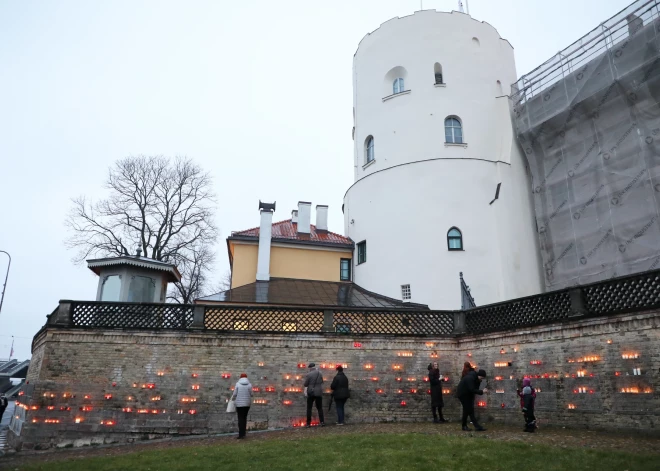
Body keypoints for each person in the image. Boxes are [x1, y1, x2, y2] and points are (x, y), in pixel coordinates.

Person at [231, 373, 253, 439]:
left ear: (240, 377)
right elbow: (252, 394)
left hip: (239, 404)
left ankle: (241, 434)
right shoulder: (249, 385)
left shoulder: (237, 384)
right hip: (247, 404)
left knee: (240, 418)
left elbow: (234, 394)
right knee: (244, 418)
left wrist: (232, 399)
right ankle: (244, 434)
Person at [303, 363, 325, 427]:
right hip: (319, 392)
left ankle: (308, 423)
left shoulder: (309, 374)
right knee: (320, 408)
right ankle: (322, 422)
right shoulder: (320, 373)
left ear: (310, 368)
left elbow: (305, 384)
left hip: (311, 392)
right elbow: (322, 382)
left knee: (309, 408)